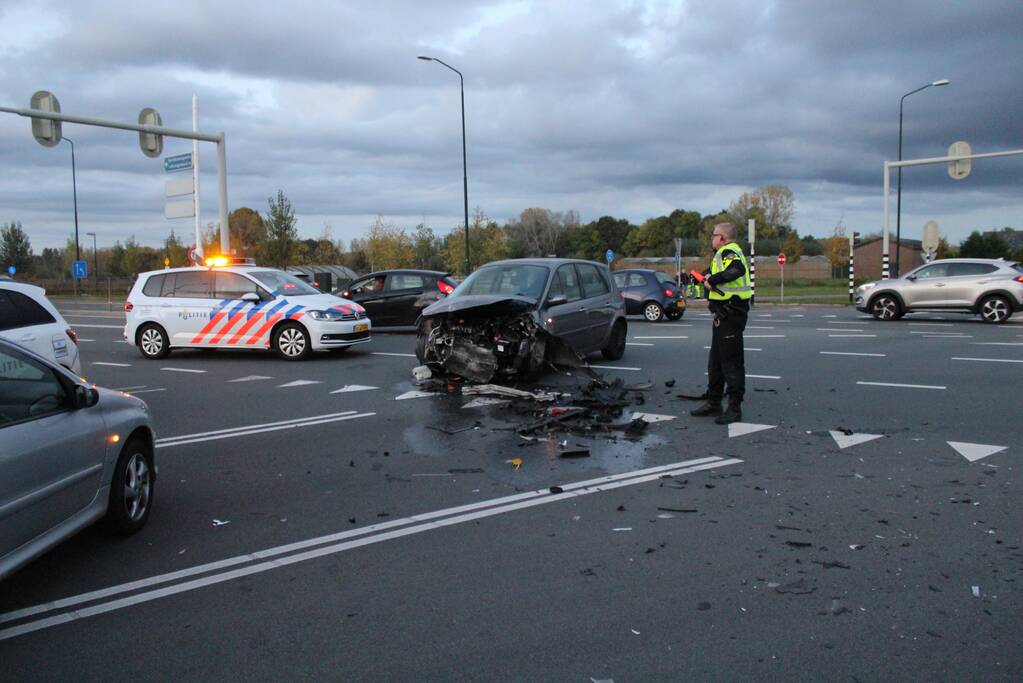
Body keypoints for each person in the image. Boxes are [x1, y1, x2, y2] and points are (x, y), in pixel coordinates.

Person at [691, 222, 752, 424]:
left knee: (731, 363)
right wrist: (697, 276)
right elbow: (710, 273)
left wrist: (713, 279)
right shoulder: (721, 255)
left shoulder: (730, 252)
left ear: (723, 238)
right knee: (715, 362)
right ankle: (714, 402)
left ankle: (735, 408)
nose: (711, 238)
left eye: (714, 235)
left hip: (731, 315)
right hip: (722, 316)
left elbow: (737, 270)